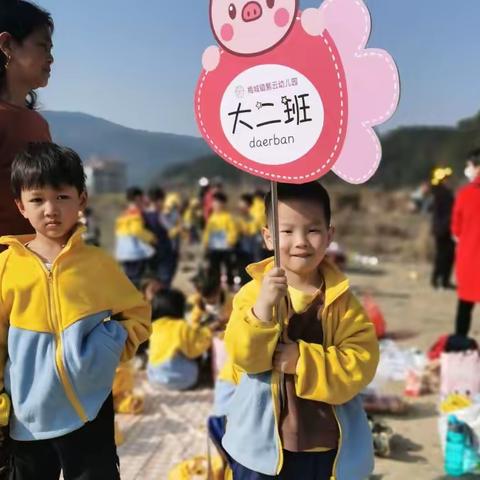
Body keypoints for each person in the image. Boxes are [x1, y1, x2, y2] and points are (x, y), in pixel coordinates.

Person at [0, 142, 151, 479]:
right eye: (37, 199)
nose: (50, 209)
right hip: (28, 414)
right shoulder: (6, 267)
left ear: (81, 199)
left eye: (62, 197)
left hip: (90, 406)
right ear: (20, 206)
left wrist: (107, 348)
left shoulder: (97, 265)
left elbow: (137, 314)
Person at [221, 182, 379, 480]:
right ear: (268, 237)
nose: (301, 241)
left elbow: (361, 364)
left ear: (330, 235)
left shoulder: (344, 303)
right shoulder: (252, 295)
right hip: (262, 446)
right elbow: (244, 359)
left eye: (313, 230)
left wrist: (301, 361)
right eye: (287, 231)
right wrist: (263, 309)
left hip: (327, 448)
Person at [0, 0, 53, 240]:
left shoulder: (39, 124)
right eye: (43, 46)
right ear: (7, 45)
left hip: (32, 266)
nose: (51, 58)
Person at [147, 288, 215, 391]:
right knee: (197, 362)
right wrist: (208, 331)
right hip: (182, 379)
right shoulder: (181, 326)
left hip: (154, 379)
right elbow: (194, 351)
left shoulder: (154, 326)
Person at [451, 150, 480, 337]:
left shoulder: (465, 194)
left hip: (470, 260)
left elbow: (456, 231)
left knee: (465, 308)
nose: (467, 169)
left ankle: (459, 348)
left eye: (469, 165)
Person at [115, 186, 155, 287]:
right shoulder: (135, 212)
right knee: (136, 280)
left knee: (129, 278)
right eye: (142, 199)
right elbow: (137, 230)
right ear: (138, 199)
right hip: (135, 253)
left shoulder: (123, 214)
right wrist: (152, 238)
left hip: (123, 252)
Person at [203, 192, 238, 287]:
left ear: (223, 204)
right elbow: (207, 232)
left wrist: (231, 241)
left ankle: (230, 286)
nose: (215, 205)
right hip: (214, 248)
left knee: (229, 268)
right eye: (214, 202)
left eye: (218, 203)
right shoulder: (211, 218)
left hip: (226, 248)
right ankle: (216, 286)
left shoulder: (227, 217)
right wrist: (206, 242)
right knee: (214, 269)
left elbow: (233, 231)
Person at [143, 187, 175, 287]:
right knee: (165, 278)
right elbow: (171, 229)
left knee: (153, 278)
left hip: (149, 251)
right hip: (164, 250)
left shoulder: (143, 215)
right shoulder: (161, 215)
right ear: (159, 201)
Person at [430, 167, 455, 289]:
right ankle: (436, 280)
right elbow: (440, 213)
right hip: (442, 229)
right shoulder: (440, 194)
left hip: (447, 228)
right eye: (446, 179)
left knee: (449, 256)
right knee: (441, 256)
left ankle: (444, 280)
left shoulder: (447, 193)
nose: (449, 180)